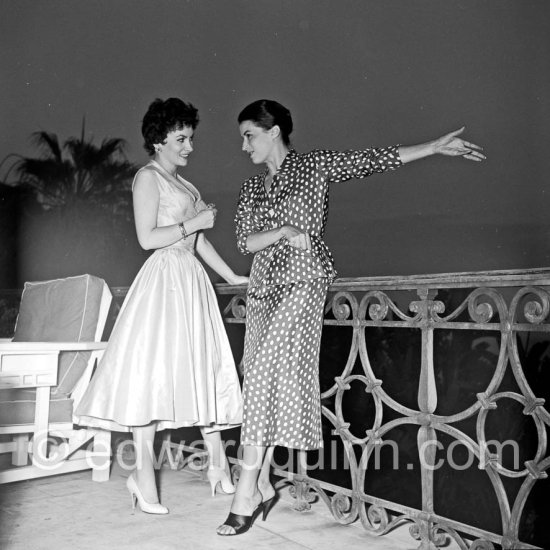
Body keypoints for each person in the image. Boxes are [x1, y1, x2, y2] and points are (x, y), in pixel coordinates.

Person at [217, 99, 486, 535]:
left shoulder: (316, 165)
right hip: (263, 288)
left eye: (249, 134)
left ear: (273, 131)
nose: (244, 145)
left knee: (265, 371)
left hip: (304, 281)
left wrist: (433, 147)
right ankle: (263, 480)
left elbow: (371, 160)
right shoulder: (251, 187)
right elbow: (246, 242)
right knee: (260, 374)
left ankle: (244, 492)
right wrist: (285, 232)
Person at [76, 97, 248, 514]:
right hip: (163, 284)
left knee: (202, 370)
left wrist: (231, 277)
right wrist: (195, 222)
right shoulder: (146, 179)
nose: (189, 146)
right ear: (158, 141)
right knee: (154, 378)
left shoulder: (189, 187)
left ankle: (219, 470)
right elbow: (148, 238)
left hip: (192, 283)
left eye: (190, 138)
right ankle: (144, 480)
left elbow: (198, 242)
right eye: (180, 139)